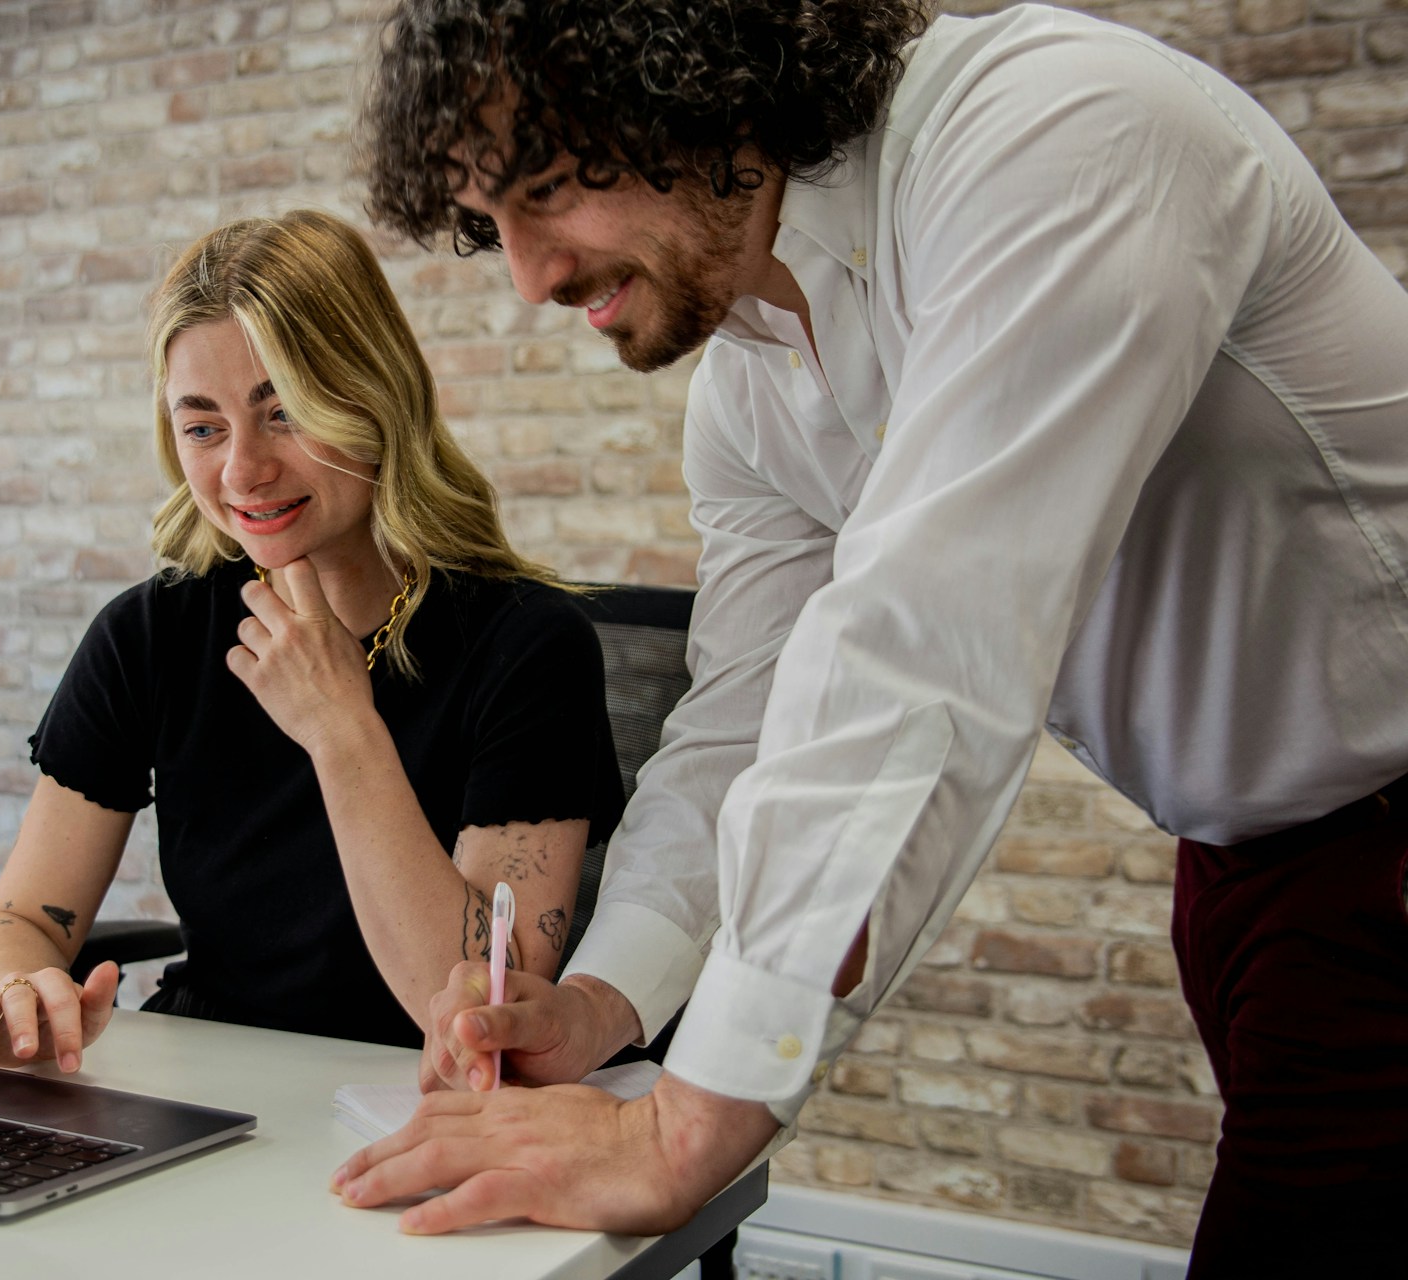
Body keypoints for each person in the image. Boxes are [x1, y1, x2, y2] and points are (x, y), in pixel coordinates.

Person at [333, 1, 1408, 1269]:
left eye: (550, 189)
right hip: (1250, 870)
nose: (528, 275)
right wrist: (600, 1001)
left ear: (687, 83)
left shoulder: (1061, 137)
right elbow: (742, 724)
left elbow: (924, 650)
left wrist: (686, 1126)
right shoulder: (752, 390)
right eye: (489, 220)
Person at [0, 209, 623, 1073]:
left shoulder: (528, 647)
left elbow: (481, 1011)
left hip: (413, 1095)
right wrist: (14, 988)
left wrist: (340, 728)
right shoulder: (149, 634)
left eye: (285, 413)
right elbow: (24, 918)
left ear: (375, 397)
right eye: (203, 427)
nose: (242, 471)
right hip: (215, 1079)